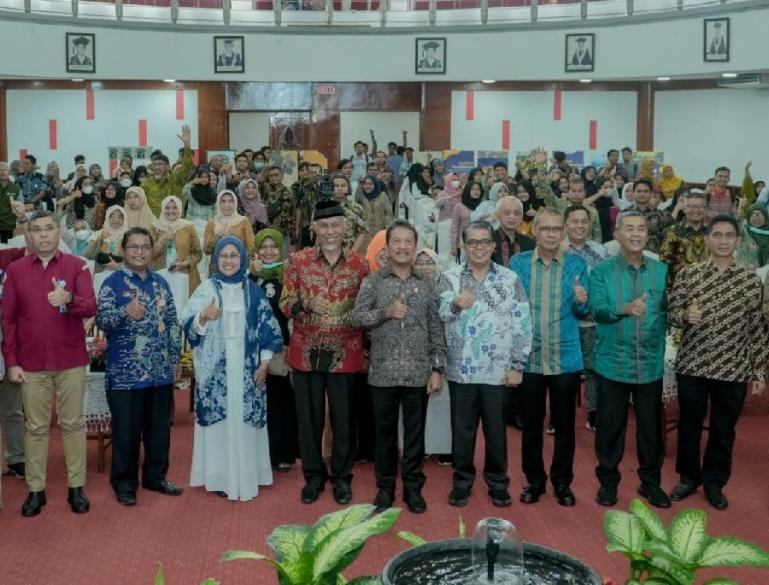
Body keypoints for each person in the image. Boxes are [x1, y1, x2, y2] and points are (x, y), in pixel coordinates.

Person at [668, 215, 769, 511]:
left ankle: (714, 483)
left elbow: (758, 330)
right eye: (718, 235)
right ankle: (688, 477)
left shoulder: (750, 281)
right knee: (689, 426)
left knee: (724, 431)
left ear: (737, 242)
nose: (723, 241)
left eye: (729, 236)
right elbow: (671, 313)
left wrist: (759, 371)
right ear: (707, 239)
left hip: (733, 369)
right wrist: (685, 316)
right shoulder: (689, 274)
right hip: (693, 365)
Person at [2, 210, 97, 516]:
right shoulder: (16, 270)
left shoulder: (77, 266)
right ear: (28, 235)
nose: (43, 234)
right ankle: (36, 490)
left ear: (59, 232)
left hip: (70, 360)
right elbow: (8, 320)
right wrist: (12, 361)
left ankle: (76, 487)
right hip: (30, 363)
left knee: (73, 424)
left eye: (49, 228)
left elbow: (90, 307)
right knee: (36, 428)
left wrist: (69, 299)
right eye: (37, 230)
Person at [352, 220, 446, 514]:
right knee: (385, 436)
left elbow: (435, 327)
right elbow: (356, 318)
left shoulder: (426, 284)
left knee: (415, 435)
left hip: (419, 373)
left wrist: (437, 369)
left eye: (408, 241)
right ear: (387, 246)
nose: (403, 247)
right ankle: (385, 488)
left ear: (415, 246)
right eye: (397, 241)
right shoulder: (374, 281)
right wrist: (386, 312)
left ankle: (414, 488)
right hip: (383, 373)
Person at [279, 199, 368, 505]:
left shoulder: (360, 265)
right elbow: (285, 302)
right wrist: (305, 305)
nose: (330, 231)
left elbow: (367, 308)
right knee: (309, 420)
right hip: (307, 353)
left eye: (335, 225)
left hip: (346, 352)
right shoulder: (297, 262)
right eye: (324, 225)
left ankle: (342, 477)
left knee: (344, 420)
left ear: (345, 227)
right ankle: (314, 476)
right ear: (314, 227)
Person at [438, 220, 532, 508]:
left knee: (496, 432)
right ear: (464, 246)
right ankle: (461, 483)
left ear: (493, 246)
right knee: (462, 432)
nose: (479, 247)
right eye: (473, 242)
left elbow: (522, 323)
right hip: (461, 370)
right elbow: (440, 314)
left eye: (485, 242)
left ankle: (498, 483)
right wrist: (455, 304)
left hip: (498, 371)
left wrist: (518, 365)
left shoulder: (510, 279)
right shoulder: (450, 277)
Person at [182, 236, 283, 501]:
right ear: (216, 259)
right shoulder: (206, 289)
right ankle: (218, 476)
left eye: (234, 255)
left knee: (245, 418)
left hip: (248, 365)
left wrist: (265, 362)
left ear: (243, 258)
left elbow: (269, 328)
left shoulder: (254, 290)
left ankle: (248, 474)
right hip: (216, 367)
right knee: (220, 421)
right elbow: (188, 324)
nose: (229, 261)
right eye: (224, 256)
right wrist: (203, 316)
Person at [95, 227, 184, 506]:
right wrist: (125, 312)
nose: (140, 252)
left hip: (159, 372)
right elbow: (102, 321)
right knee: (126, 433)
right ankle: (124, 484)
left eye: (145, 246)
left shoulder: (160, 282)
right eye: (133, 247)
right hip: (125, 375)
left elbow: (172, 322)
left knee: (159, 431)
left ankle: (155, 477)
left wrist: (175, 358)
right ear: (123, 250)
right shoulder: (112, 283)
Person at [509, 208, 589, 507]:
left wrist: (582, 301)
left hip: (564, 356)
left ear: (563, 232)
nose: (552, 234)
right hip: (529, 356)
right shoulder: (518, 263)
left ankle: (562, 482)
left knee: (565, 426)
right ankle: (535, 481)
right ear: (535, 231)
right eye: (546, 229)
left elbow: (583, 311)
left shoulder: (577, 264)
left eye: (557, 229)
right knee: (531, 424)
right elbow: (511, 308)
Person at [590, 211, 670, 508]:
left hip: (650, 363)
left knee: (651, 431)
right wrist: (624, 308)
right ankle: (608, 483)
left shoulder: (660, 270)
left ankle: (651, 484)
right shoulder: (601, 271)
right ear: (617, 235)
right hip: (613, 362)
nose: (636, 234)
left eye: (641, 229)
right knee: (610, 429)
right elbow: (597, 311)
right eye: (630, 229)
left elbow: (666, 312)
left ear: (648, 234)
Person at [249, 228, 299, 472]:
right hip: (254, 347)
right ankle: (257, 453)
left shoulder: (288, 274)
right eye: (264, 247)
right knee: (258, 398)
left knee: (280, 399)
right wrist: (252, 275)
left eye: (273, 247)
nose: (269, 252)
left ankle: (281, 453)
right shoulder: (250, 276)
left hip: (280, 346)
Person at [564, 205, 609, 432]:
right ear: (566, 224)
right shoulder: (558, 250)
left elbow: (608, 284)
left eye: (584, 221)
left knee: (593, 369)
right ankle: (560, 416)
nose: (580, 226)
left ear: (590, 224)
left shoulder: (601, 251)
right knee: (565, 372)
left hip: (593, 322)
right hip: (565, 323)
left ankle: (594, 411)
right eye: (574, 221)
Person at [150, 196, 202, 294]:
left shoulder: (188, 227)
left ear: (180, 209)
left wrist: (186, 263)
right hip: (160, 277)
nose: (171, 211)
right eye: (167, 208)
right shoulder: (155, 227)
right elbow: (149, 255)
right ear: (163, 209)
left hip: (185, 276)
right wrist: (162, 239)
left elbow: (198, 253)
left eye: (174, 208)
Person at [659, 190, 709, 286]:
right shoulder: (674, 231)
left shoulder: (711, 233)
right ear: (684, 209)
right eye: (691, 206)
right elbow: (664, 262)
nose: (695, 210)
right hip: (680, 287)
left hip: (706, 286)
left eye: (700, 207)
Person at [142, 125, 193, 215]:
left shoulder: (176, 181)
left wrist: (187, 145)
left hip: (174, 221)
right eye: (154, 164)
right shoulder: (146, 184)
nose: (157, 167)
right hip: (154, 222)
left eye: (160, 164)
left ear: (168, 166)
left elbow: (187, 168)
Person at [204, 190, 255, 275]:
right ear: (218, 203)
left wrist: (233, 235)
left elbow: (251, 247)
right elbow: (206, 250)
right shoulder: (212, 223)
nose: (227, 205)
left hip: (239, 268)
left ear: (235, 203)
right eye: (223, 201)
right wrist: (218, 235)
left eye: (231, 201)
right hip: (216, 269)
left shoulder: (243, 221)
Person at [627, 179, 670, 254]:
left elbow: (667, 240)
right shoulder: (625, 214)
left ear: (651, 194)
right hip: (630, 255)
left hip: (654, 257)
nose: (642, 194)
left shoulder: (661, 215)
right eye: (639, 191)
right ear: (633, 193)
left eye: (645, 191)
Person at [491, 196, 535, 267]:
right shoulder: (488, 241)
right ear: (497, 215)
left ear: (521, 217)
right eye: (507, 213)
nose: (512, 217)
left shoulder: (530, 244)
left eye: (517, 213)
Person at [87, 205, 127, 273]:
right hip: (99, 273)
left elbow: (133, 260)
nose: (116, 220)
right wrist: (101, 239)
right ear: (107, 217)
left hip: (122, 273)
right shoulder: (99, 234)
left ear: (124, 219)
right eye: (112, 216)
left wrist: (119, 266)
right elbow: (88, 256)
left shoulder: (129, 235)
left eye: (120, 217)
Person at [450, 181, 483, 260]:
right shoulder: (459, 206)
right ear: (467, 191)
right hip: (464, 242)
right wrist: (454, 245)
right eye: (473, 189)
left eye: (478, 189)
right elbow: (454, 227)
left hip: (481, 242)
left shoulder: (484, 205)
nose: (476, 192)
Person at [262, 165, 295, 239]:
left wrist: (294, 228)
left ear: (282, 176)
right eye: (271, 176)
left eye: (276, 175)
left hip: (285, 230)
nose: (273, 177)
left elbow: (293, 211)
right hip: (268, 229)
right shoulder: (265, 191)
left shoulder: (290, 192)